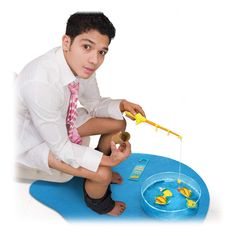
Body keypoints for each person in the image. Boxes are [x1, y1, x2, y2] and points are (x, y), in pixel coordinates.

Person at [16, 12, 145, 216]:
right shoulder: (41, 82)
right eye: (87, 46)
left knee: (117, 123)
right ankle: (99, 202)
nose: (95, 60)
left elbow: (93, 104)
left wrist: (121, 105)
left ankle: (97, 168)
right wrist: (108, 163)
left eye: (102, 52)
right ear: (66, 42)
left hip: (60, 120)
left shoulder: (80, 64)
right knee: (102, 174)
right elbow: (60, 148)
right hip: (36, 140)